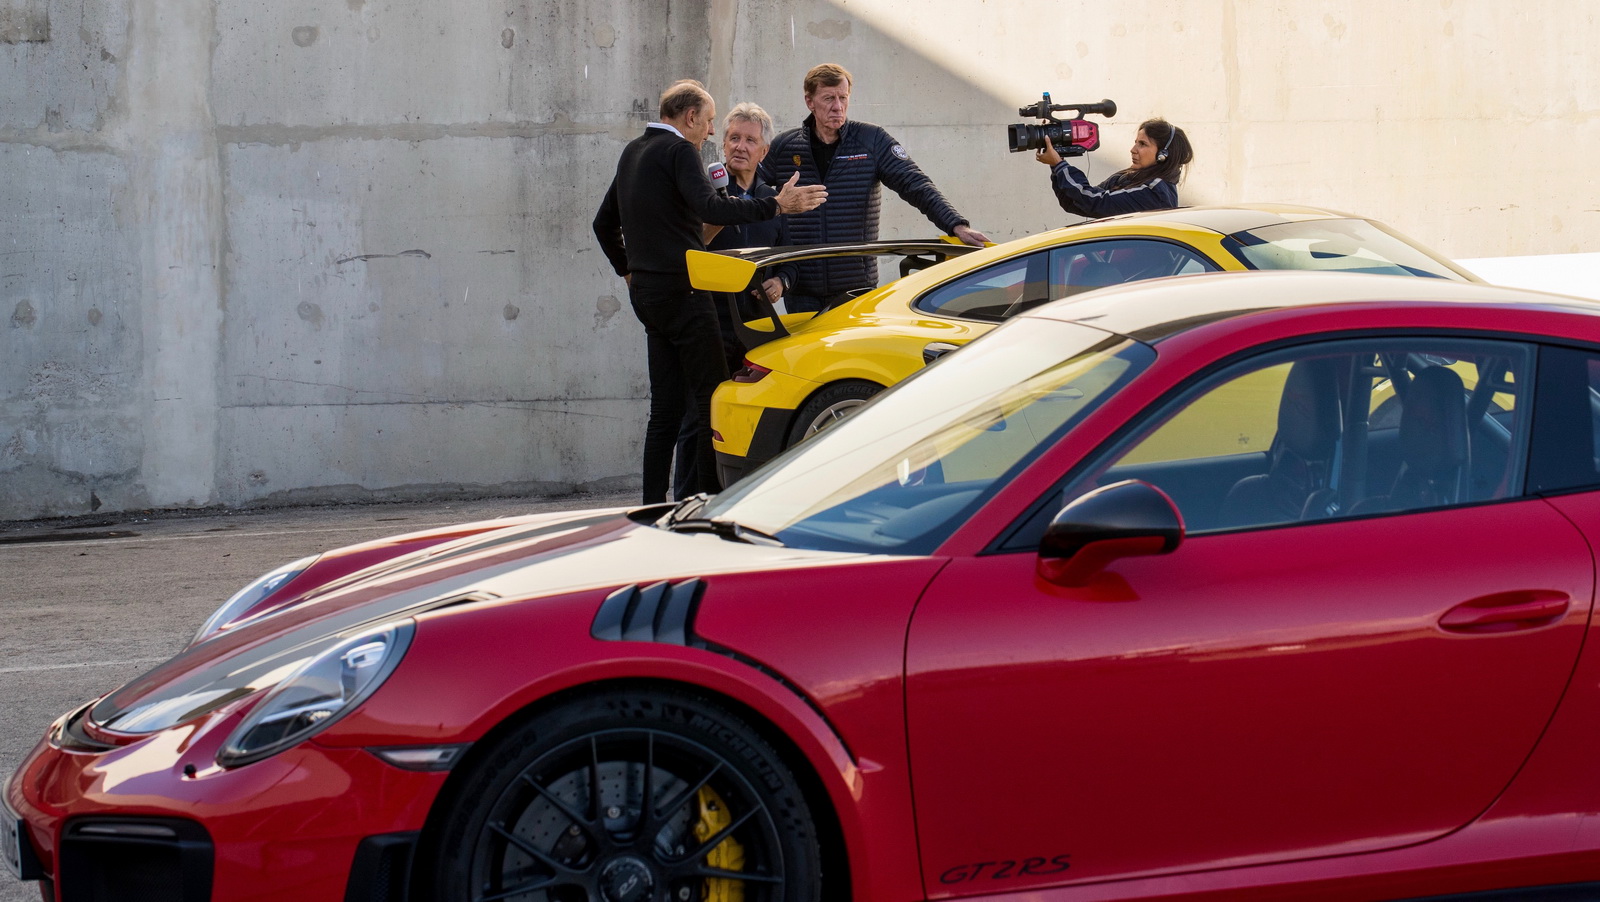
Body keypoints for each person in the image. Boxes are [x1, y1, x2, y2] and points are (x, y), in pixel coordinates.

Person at [593, 80, 826, 504]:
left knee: (664, 412)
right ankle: (704, 503)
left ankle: (653, 507)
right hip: (686, 296)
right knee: (711, 403)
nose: (712, 131)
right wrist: (778, 204)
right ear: (690, 117)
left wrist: (627, 270)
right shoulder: (680, 150)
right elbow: (712, 208)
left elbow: (602, 223)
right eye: (711, 121)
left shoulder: (633, 152)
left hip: (649, 298)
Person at [758, 63, 989, 313]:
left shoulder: (871, 140)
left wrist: (956, 225)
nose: (838, 106)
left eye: (843, 97)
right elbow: (749, 193)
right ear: (809, 102)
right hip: (800, 289)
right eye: (828, 98)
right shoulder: (785, 147)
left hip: (855, 289)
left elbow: (915, 184)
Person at [673, 101, 794, 498]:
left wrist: (781, 282)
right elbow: (689, 248)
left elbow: (791, 259)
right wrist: (719, 212)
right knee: (698, 417)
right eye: (733, 138)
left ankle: (742, 498)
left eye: (750, 140)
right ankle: (688, 502)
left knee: (751, 417)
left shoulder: (775, 200)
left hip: (757, 329)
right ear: (722, 144)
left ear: (764, 151)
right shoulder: (703, 192)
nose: (740, 146)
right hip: (707, 323)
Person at [1036, 117, 1192, 218]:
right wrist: (1056, 164)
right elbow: (1075, 203)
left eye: (1143, 144)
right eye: (1136, 142)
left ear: (1163, 154)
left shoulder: (1154, 192)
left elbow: (1093, 201)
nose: (1133, 149)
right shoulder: (1130, 178)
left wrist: (1059, 165)